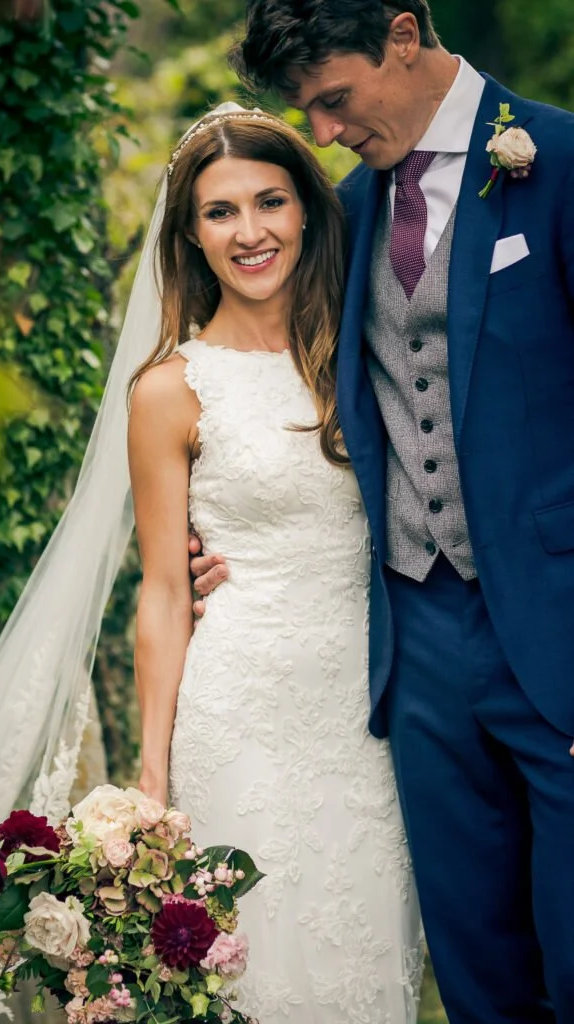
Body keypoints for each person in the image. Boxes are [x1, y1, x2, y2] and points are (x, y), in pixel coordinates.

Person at [190, 3, 574, 1023]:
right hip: (413, 636)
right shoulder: (348, 211)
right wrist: (212, 526)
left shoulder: (562, 160)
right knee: (476, 966)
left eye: (332, 100)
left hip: (554, 619)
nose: (322, 132)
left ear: (401, 38)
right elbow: (278, 383)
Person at [128, 108, 423, 1023]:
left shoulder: (368, 351)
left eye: (269, 202)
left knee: (362, 960)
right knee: (250, 975)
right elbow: (165, 590)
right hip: (239, 711)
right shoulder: (170, 390)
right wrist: (150, 774)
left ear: (307, 211)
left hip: (368, 718)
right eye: (220, 212)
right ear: (190, 232)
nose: (249, 232)